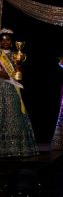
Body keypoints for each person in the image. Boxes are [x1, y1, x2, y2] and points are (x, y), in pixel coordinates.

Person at [0, 28, 38, 157]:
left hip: (12, 87)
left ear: (11, 42)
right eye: (3, 40)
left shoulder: (16, 54)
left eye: (8, 40)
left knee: (14, 110)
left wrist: (18, 68)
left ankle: (17, 147)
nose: (5, 42)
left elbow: (17, 74)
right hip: (1, 85)